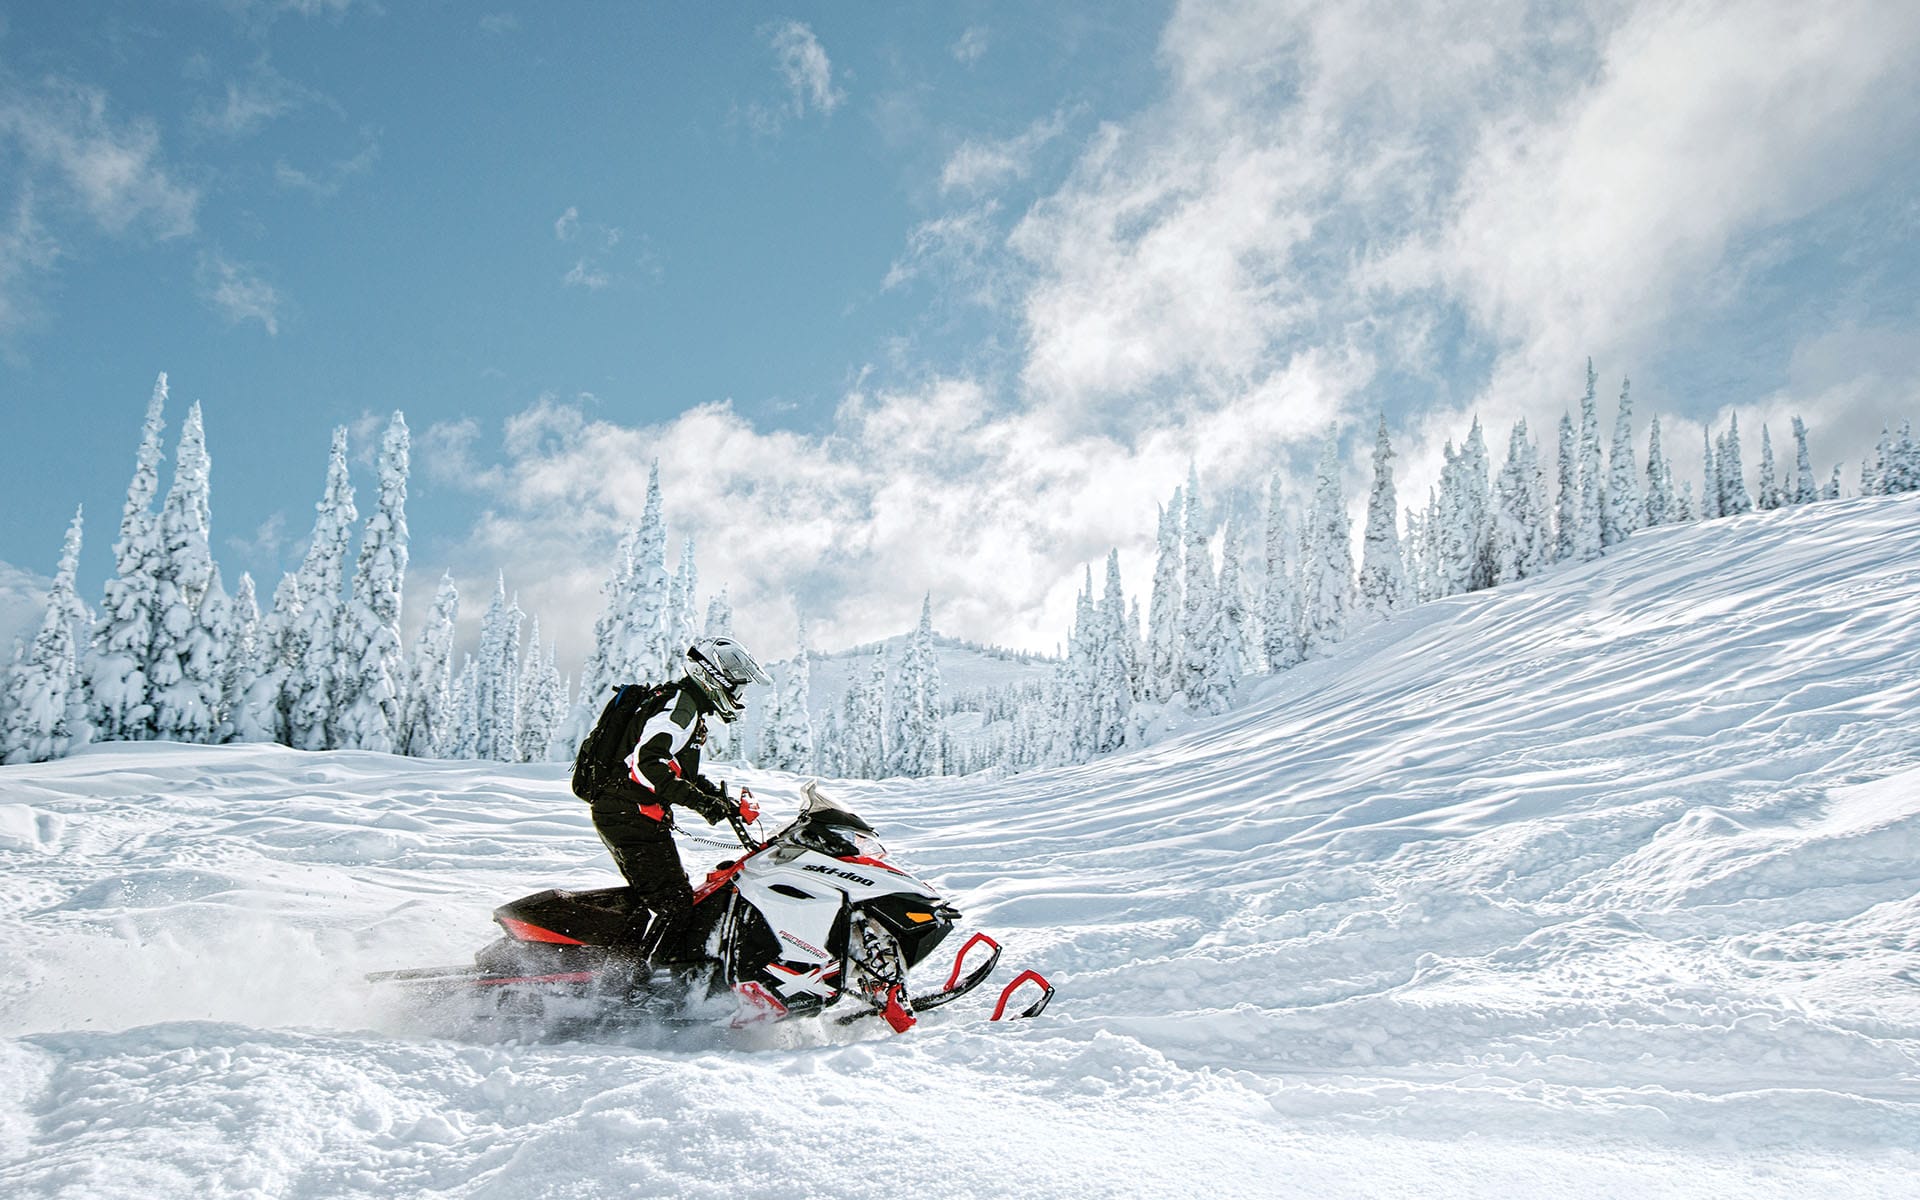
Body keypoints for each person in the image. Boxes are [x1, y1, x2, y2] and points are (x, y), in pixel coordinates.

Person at [588, 636, 772, 963]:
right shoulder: (680, 706)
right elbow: (648, 765)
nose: (738, 696)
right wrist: (700, 804)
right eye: (737, 687)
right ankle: (645, 987)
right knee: (674, 904)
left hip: (628, 813)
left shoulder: (684, 704)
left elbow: (677, 773)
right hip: (629, 816)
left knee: (667, 897)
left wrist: (717, 799)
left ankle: (636, 967)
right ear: (715, 678)